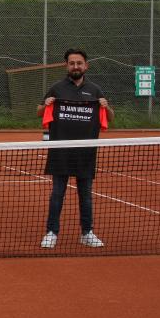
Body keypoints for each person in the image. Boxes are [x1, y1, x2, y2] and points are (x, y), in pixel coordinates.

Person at [37, 48, 114, 249]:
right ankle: (52, 232)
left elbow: (111, 118)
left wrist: (106, 107)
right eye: (72, 63)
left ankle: (87, 232)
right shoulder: (56, 88)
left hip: (86, 153)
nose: (75, 66)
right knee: (57, 195)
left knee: (86, 196)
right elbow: (39, 112)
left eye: (79, 63)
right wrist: (45, 104)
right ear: (67, 66)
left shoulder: (95, 90)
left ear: (86, 65)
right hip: (60, 152)